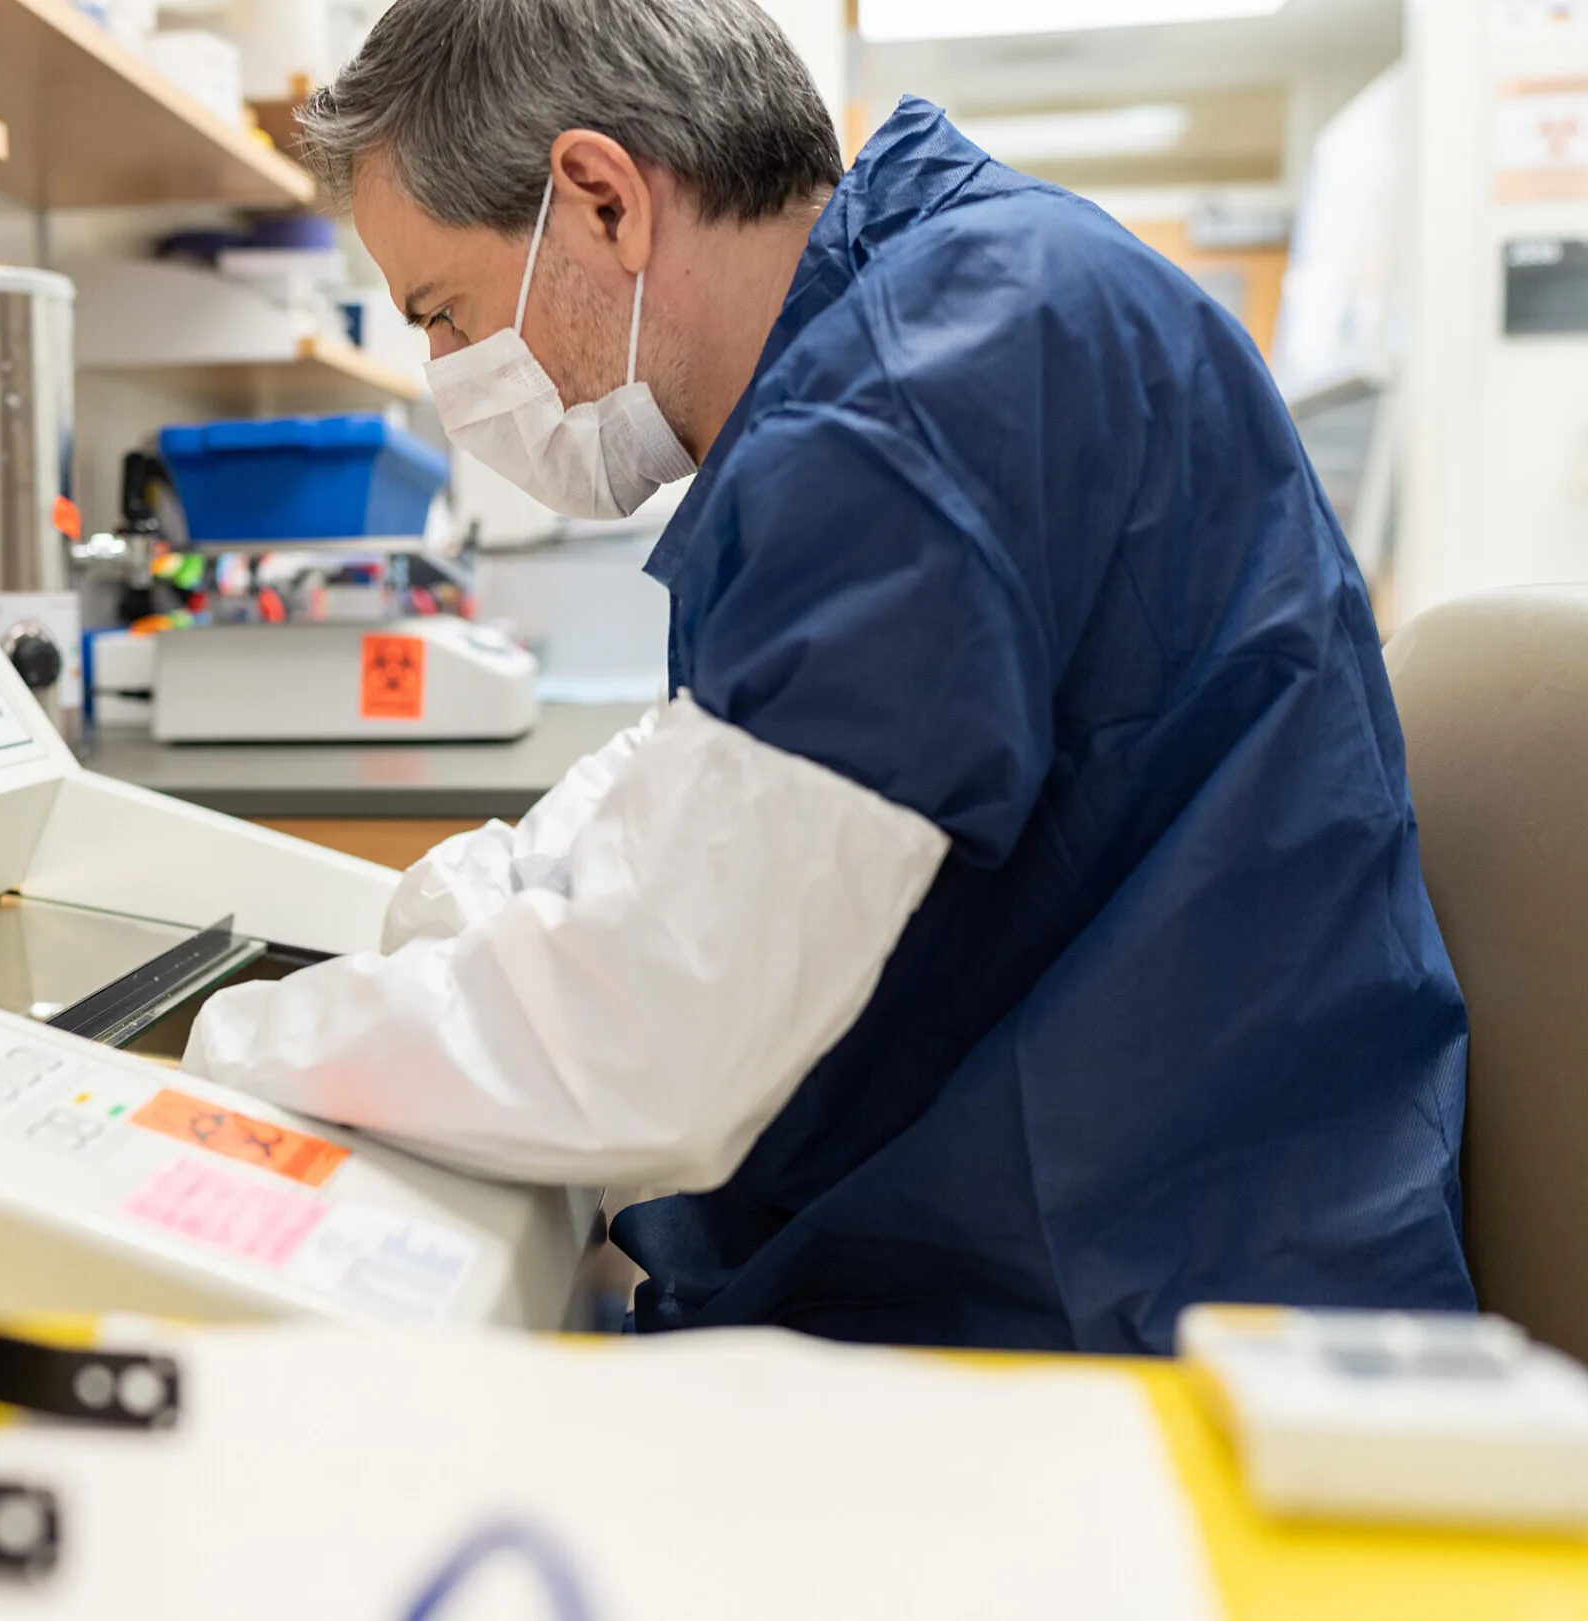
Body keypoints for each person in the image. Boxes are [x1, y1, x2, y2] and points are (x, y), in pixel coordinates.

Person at [182, 0, 1474, 1354]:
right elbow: (730, 768)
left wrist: (229, 1052)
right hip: (1118, 1227)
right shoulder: (923, 311)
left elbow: (653, 1045)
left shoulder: (913, 401)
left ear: (601, 201)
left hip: (1130, 1319)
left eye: (444, 316)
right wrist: (465, 902)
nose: (449, 376)